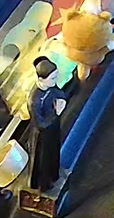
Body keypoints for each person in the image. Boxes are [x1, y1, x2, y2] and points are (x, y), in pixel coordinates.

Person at [28, 56, 69, 191]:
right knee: (43, 161)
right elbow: (40, 124)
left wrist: (62, 99)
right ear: (41, 80)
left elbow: (58, 92)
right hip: (42, 135)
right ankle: (43, 185)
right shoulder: (35, 100)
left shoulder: (51, 86)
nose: (55, 80)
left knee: (54, 153)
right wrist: (55, 113)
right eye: (52, 78)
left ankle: (54, 176)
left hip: (53, 127)